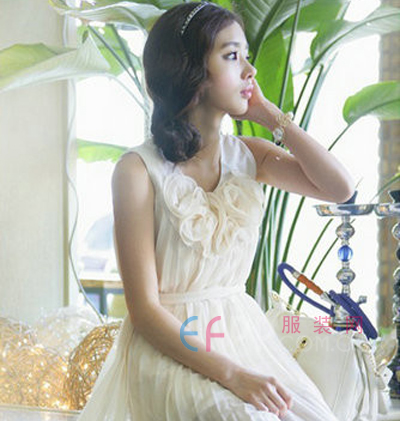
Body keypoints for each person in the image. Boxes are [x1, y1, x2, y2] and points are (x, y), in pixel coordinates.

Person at [78, 2, 355, 420]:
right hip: (171, 350)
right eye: (232, 56)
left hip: (244, 342)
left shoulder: (250, 156)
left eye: (246, 55)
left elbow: (340, 188)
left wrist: (269, 115)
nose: (250, 70)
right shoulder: (138, 170)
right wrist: (233, 375)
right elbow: (144, 311)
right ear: (191, 71)